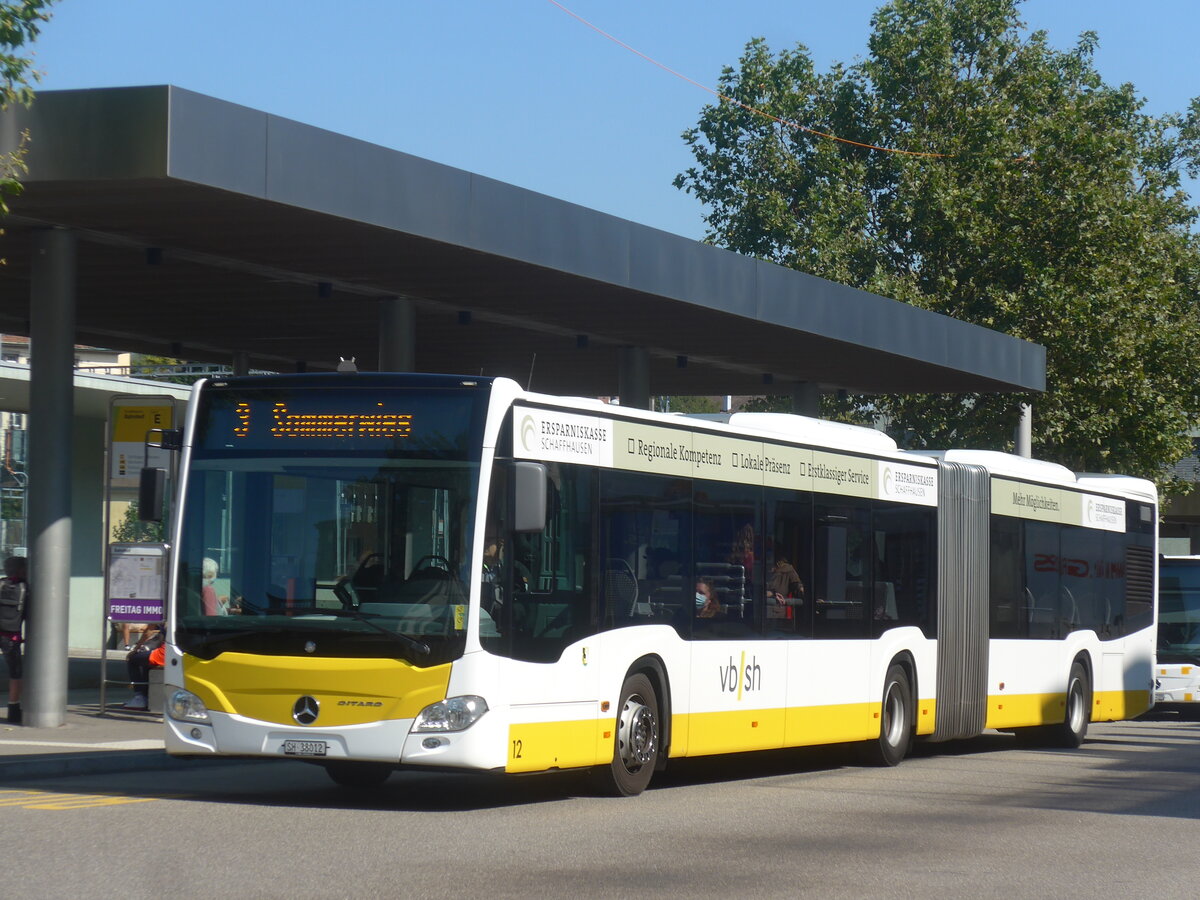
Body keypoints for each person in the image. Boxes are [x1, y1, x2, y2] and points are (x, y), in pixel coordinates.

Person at [0, 556, 28, 725]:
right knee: (15, 674)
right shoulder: (25, 587)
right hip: (11, 636)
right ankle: (13, 710)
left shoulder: (1, 584)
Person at [123, 621, 165, 711]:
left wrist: (135, 649)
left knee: (133, 659)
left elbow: (148, 632)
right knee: (146, 662)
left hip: (164, 654)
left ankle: (140, 697)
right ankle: (147, 696)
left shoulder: (161, 612)